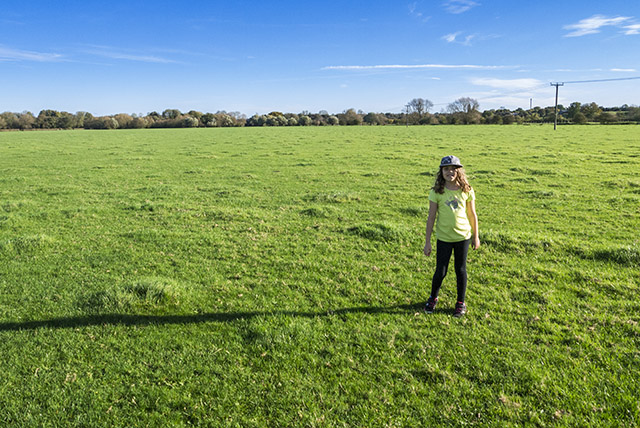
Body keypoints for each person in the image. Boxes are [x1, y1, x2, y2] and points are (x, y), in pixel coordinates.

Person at [423, 155, 480, 317]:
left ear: (459, 171)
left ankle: (460, 303)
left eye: (454, 169)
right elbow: (431, 217)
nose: (450, 172)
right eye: (446, 169)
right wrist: (427, 242)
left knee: (460, 270)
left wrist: (476, 236)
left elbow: (472, 214)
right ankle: (433, 298)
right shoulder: (436, 192)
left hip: (463, 237)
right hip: (444, 238)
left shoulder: (466, 190)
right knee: (440, 271)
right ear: (441, 171)